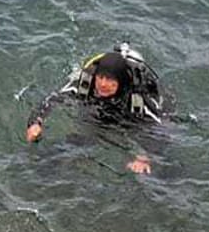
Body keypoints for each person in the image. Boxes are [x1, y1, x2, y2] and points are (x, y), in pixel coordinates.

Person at [24, 43, 163, 174]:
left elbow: (160, 130)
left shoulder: (136, 99)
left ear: (120, 81)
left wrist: (143, 158)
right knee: (72, 147)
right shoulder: (85, 84)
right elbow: (51, 99)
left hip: (128, 120)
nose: (103, 84)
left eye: (110, 80)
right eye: (100, 77)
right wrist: (36, 122)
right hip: (96, 116)